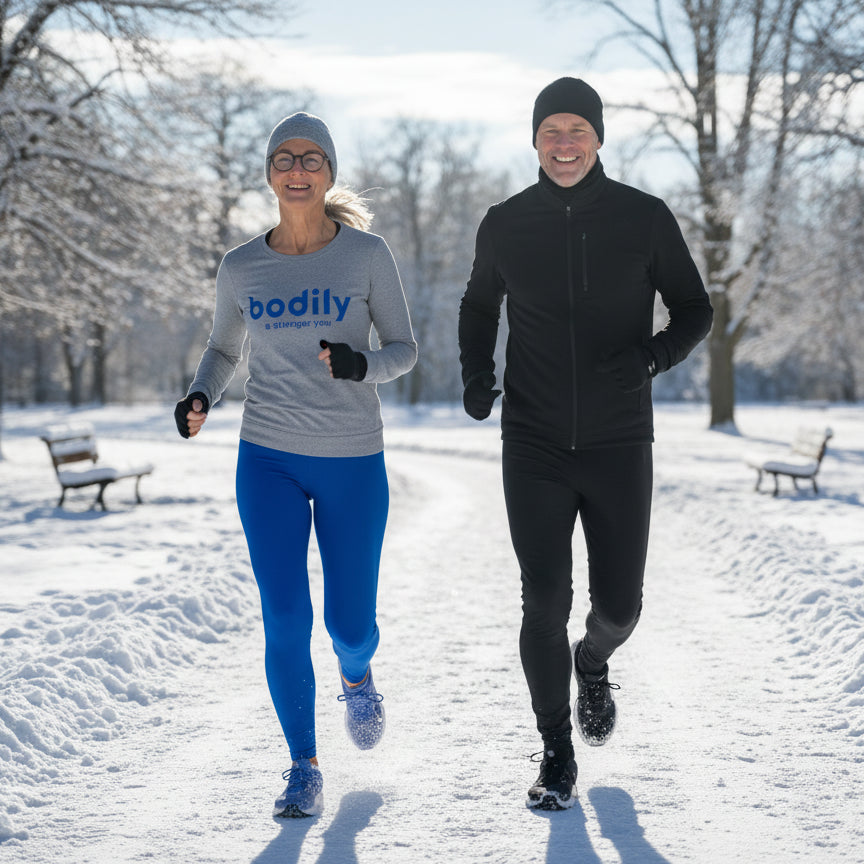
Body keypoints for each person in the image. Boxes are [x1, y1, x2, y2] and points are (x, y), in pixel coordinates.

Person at [458, 77, 713, 811]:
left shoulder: (644, 216)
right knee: (543, 599)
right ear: (534, 140)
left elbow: (695, 308)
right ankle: (556, 752)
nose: (563, 144)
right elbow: (478, 306)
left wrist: (652, 359)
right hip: (533, 440)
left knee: (620, 607)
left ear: (598, 138)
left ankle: (593, 661)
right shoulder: (506, 223)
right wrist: (478, 373)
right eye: (550, 131)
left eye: (576, 130)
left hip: (619, 439)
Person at [174, 112, 417, 818]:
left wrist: (360, 364)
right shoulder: (242, 266)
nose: (299, 168)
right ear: (271, 175)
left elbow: (403, 349)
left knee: (350, 627)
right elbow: (223, 351)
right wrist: (200, 394)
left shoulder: (367, 256)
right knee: (284, 615)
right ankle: (303, 766)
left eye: (312, 157)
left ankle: (357, 676)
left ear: (329, 172)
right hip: (268, 459)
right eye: (285, 158)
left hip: (351, 459)